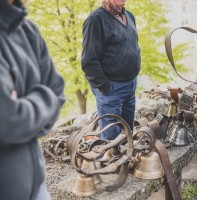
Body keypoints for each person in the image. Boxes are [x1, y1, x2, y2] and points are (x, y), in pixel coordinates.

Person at [0, 0, 65, 199]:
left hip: (38, 188)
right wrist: (44, 99)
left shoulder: (28, 30)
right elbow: (8, 120)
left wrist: (23, 106)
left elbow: (57, 91)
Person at [81, 0, 141, 140]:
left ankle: (128, 161)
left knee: (127, 134)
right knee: (110, 140)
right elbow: (89, 61)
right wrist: (105, 87)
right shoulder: (96, 19)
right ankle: (107, 162)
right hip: (111, 89)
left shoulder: (130, 16)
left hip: (130, 86)